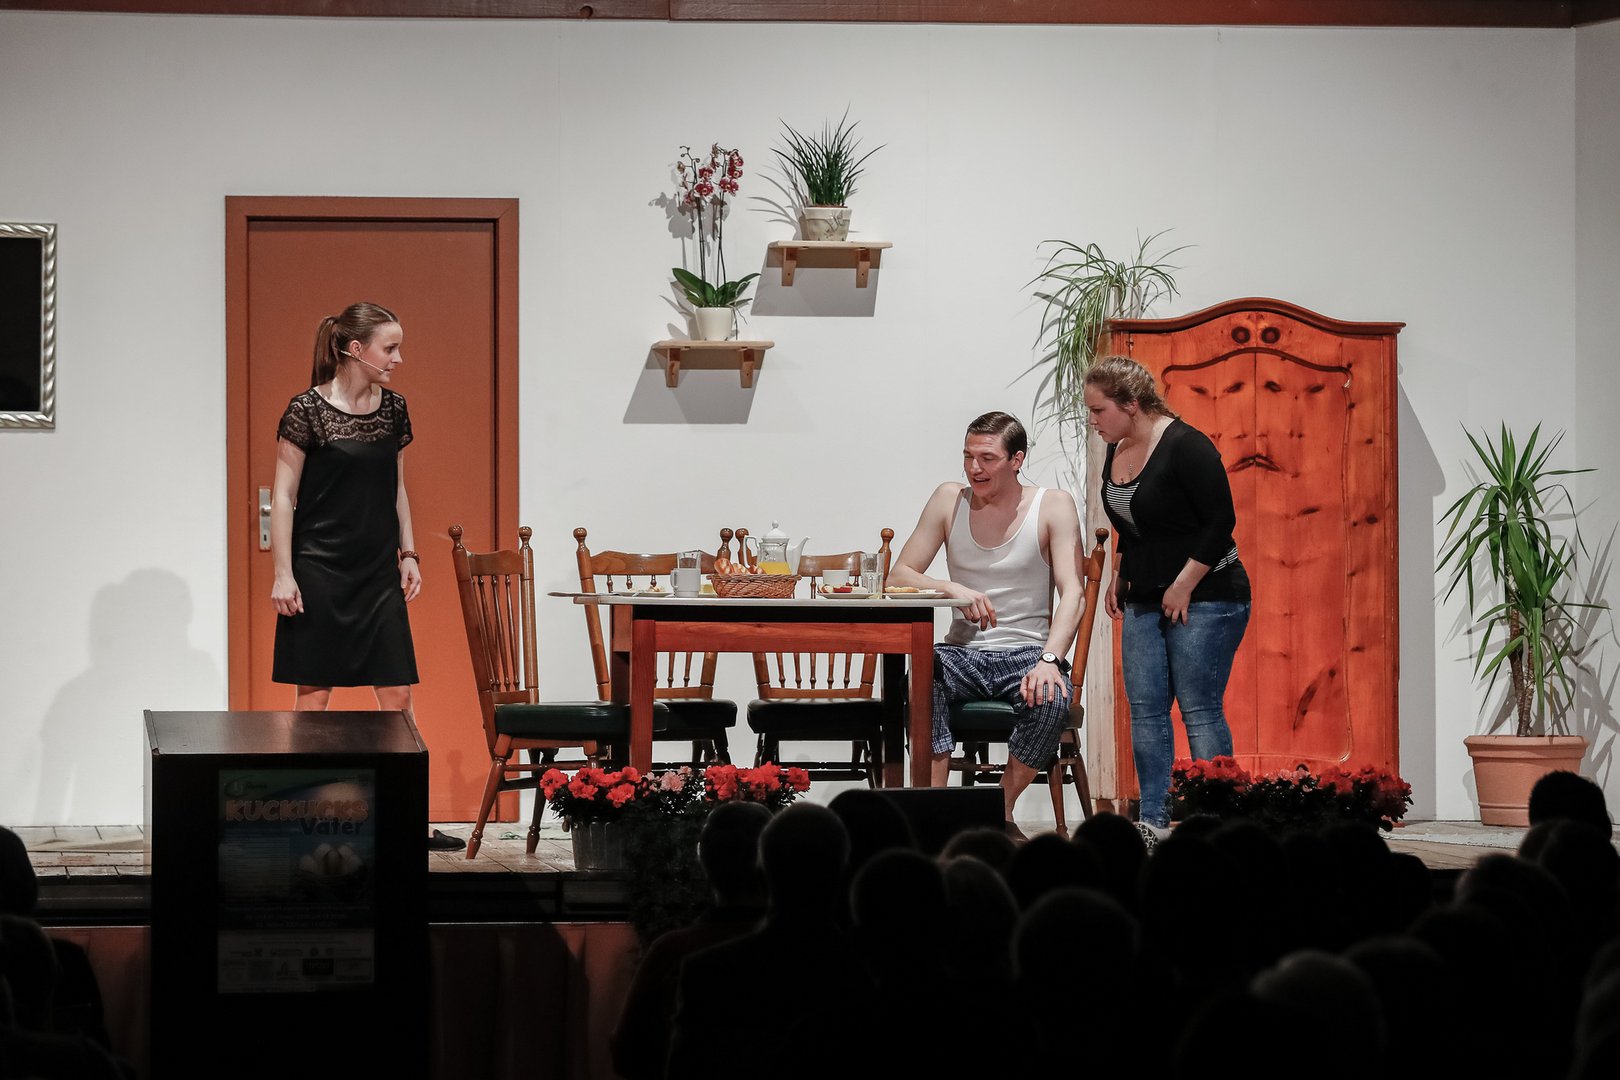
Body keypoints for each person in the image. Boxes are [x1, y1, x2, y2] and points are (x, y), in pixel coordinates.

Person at [269, 302, 461, 851]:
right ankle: (301, 817)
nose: (398, 359)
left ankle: (406, 821)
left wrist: (409, 553)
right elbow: (283, 497)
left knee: (398, 695)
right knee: (314, 698)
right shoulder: (306, 410)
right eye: (390, 348)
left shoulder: (393, 409)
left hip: (376, 575)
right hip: (320, 571)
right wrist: (283, 573)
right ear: (356, 349)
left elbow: (397, 488)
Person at [888, 411, 1085, 839]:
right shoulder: (949, 499)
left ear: (1016, 460)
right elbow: (898, 575)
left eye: (987, 458)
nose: (974, 468)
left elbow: (1074, 593)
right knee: (920, 679)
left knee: (1052, 698)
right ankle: (937, 812)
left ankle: (996, 809)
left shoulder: (1052, 505)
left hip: (1027, 653)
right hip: (962, 653)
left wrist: (1050, 660)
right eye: (968, 456)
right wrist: (951, 589)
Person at [1084, 355, 1250, 838]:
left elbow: (1220, 522)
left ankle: (1216, 825)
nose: (1093, 421)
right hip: (1146, 595)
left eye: (1098, 410)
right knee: (1146, 709)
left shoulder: (1187, 446)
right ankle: (1153, 821)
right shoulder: (1117, 447)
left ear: (1131, 404)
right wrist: (1120, 573)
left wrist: (1184, 584)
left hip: (1208, 594)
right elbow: (1133, 520)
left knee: (1199, 708)